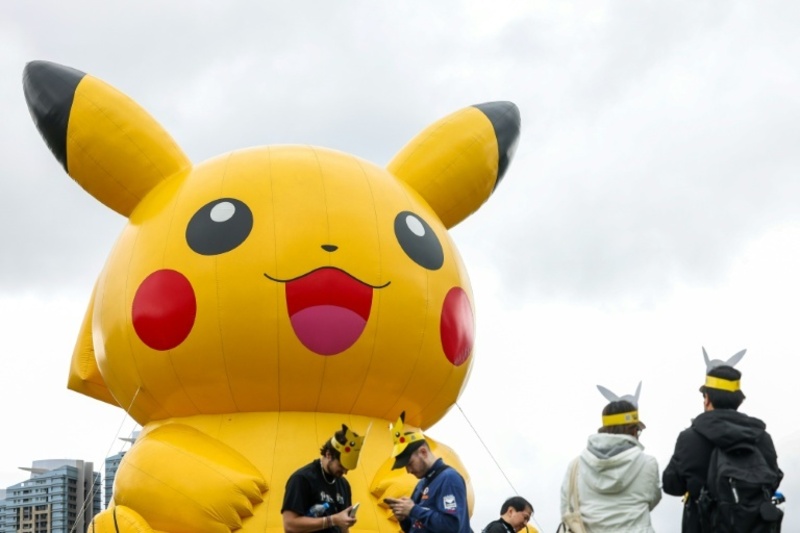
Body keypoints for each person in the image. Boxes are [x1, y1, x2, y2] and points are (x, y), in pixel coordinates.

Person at [662, 348, 783, 533]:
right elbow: (773, 479)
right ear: (739, 400)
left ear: (707, 398)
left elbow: (672, 485)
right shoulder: (761, 438)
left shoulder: (690, 439)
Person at [559, 382, 661, 532]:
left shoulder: (575, 466)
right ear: (634, 431)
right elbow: (653, 500)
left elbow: (566, 508)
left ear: (604, 428)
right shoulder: (648, 463)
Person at [385, 412, 471, 533]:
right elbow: (416, 527)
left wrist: (413, 509)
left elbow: (451, 526)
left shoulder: (449, 478)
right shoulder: (422, 484)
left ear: (423, 452)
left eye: (410, 463)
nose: (408, 471)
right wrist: (404, 518)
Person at [282, 424, 364, 533]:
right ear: (328, 454)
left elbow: (343, 528)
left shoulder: (344, 484)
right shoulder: (302, 479)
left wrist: (346, 523)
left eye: (347, 468)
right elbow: (289, 525)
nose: (345, 472)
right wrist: (332, 520)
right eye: (341, 466)